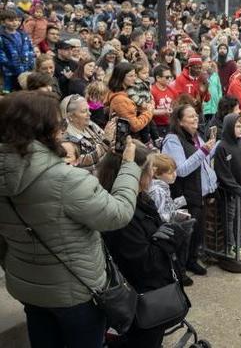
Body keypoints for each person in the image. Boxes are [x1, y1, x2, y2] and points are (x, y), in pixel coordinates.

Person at [0, 91, 141, 348]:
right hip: (75, 291)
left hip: (29, 287)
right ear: (43, 129)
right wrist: (130, 166)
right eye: (58, 123)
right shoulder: (65, 179)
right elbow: (118, 214)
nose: (62, 129)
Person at [100, 145, 191, 347]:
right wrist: (174, 234)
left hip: (150, 292)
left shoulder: (141, 198)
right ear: (134, 174)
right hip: (141, 301)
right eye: (149, 168)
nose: (153, 173)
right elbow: (145, 263)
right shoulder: (124, 216)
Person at [162, 104, 218, 276]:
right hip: (184, 194)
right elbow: (182, 170)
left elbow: (205, 157)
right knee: (185, 234)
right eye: (191, 116)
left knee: (197, 232)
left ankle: (191, 261)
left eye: (196, 115)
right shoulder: (173, 139)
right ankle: (180, 271)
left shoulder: (196, 136)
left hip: (199, 191)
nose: (196, 119)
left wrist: (218, 144)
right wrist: (203, 150)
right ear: (179, 121)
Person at [213, 113, 241, 260]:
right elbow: (222, 173)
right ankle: (230, 247)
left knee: (240, 218)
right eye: (237, 126)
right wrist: (236, 188)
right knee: (229, 219)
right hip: (229, 193)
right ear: (229, 127)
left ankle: (240, 244)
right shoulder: (222, 147)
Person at [60, 94, 114, 172]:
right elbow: (84, 163)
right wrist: (106, 141)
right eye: (84, 111)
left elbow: (106, 138)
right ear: (70, 116)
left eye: (88, 110)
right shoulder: (66, 138)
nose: (90, 114)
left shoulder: (90, 125)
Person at [106, 62, 154, 136]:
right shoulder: (120, 100)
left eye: (135, 75)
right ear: (121, 77)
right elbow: (135, 125)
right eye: (130, 76)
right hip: (127, 139)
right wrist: (149, 112)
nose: (134, 78)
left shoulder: (129, 91)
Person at [0, 9, 35, 92]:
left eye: (17, 20)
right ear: (3, 22)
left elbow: (30, 49)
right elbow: (1, 55)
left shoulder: (23, 35)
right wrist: (11, 65)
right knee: (8, 92)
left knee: (23, 91)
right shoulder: (1, 37)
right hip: (9, 72)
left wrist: (30, 62)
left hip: (25, 70)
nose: (15, 23)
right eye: (11, 20)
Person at [150, 64, 179, 136]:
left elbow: (177, 105)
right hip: (157, 127)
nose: (170, 79)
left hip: (171, 125)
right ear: (158, 78)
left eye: (171, 77)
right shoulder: (152, 91)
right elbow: (150, 111)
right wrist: (164, 111)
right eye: (167, 77)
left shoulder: (172, 90)